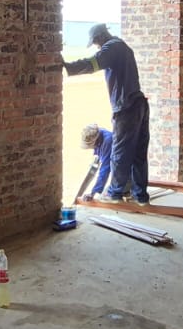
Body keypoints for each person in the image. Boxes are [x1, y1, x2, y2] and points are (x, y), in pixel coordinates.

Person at [61, 24, 150, 203]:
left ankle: (114, 194)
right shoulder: (123, 47)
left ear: (101, 37)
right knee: (139, 153)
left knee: (119, 152)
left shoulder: (111, 48)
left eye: (96, 43)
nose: (97, 46)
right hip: (139, 104)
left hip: (125, 108)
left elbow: (94, 63)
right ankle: (140, 196)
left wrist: (69, 67)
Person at [79, 124, 114, 199]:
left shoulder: (108, 141)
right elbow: (97, 158)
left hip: (127, 173)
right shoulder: (99, 134)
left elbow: (105, 169)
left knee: (104, 197)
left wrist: (93, 192)